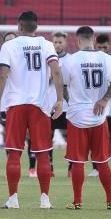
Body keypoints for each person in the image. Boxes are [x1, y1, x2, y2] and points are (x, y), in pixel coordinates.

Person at [0, 11, 63, 210]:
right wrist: (59, 99)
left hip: (16, 104)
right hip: (40, 105)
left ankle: (13, 199)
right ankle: (45, 200)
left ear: (19, 27)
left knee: (14, 153)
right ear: (36, 27)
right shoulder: (46, 44)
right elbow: (56, 71)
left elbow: (3, 75)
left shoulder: (9, 45)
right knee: (42, 153)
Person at [62, 26, 111, 210]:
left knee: (78, 160)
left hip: (76, 117)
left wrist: (70, 101)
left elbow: (64, 86)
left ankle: (77, 201)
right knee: (103, 160)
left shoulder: (71, 60)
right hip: (99, 117)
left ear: (77, 40)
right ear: (94, 38)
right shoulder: (105, 58)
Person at [93, 33, 111, 178]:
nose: (102, 50)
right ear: (95, 46)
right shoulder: (91, 60)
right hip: (94, 109)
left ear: (109, 46)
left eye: (105, 47)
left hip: (110, 109)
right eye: (99, 47)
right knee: (95, 140)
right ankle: (95, 168)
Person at [46, 31, 71, 177]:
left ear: (66, 43)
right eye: (55, 42)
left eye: (60, 42)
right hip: (49, 105)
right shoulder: (46, 59)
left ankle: (71, 167)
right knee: (47, 138)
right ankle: (49, 167)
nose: (57, 45)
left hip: (67, 107)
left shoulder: (71, 60)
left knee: (70, 138)